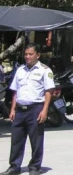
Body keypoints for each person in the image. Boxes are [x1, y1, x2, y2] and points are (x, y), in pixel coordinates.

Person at [2, 44, 55, 175]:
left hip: (35, 109)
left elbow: (49, 91)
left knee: (36, 140)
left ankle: (35, 167)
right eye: (26, 54)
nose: (27, 57)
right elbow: (15, 91)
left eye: (30, 54)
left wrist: (45, 110)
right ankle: (14, 166)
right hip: (20, 110)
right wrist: (13, 109)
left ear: (38, 55)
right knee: (16, 140)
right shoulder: (20, 70)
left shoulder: (45, 70)